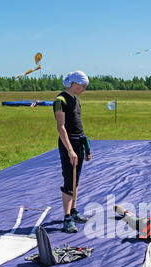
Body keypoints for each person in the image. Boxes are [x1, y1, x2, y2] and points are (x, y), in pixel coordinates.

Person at [53, 71, 92, 233]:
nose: (83, 89)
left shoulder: (76, 99)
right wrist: (70, 150)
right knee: (69, 181)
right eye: (82, 86)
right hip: (68, 144)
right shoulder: (60, 100)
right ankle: (67, 217)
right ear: (74, 83)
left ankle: (74, 211)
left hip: (79, 142)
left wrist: (86, 148)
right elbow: (61, 127)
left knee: (76, 179)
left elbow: (78, 125)